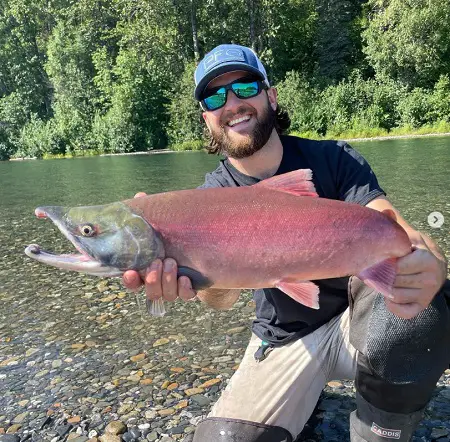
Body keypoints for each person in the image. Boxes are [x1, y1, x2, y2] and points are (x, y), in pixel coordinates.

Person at [123, 44, 450, 442]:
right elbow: (222, 299)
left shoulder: (333, 159)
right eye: (214, 97)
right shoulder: (208, 200)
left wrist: (432, 260)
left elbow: (393, 227)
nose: (232, 103)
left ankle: (379, 433)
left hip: (359, 327)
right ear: (207, 119)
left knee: (425, 304)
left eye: (245, 87)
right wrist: (190, 277)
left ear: (271, 96)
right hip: (285, 338)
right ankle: (305, 397)